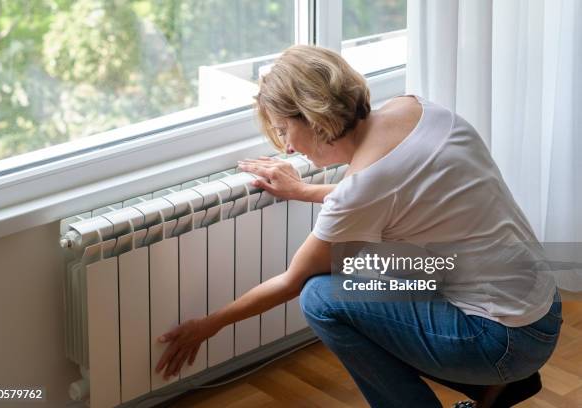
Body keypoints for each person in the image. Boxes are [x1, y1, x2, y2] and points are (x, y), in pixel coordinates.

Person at [154, 45, 563, 408]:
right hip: (541, 306)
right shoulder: (418, 109)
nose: (288, 147)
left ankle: (482, 382)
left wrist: (206, 326)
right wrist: (302, 191)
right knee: (386, 265)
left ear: (313, 116)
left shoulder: (362, 189)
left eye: (284, 131)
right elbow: (393, 190)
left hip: (501, 341)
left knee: (320, 297)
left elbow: (292, 281)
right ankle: (503, 389)